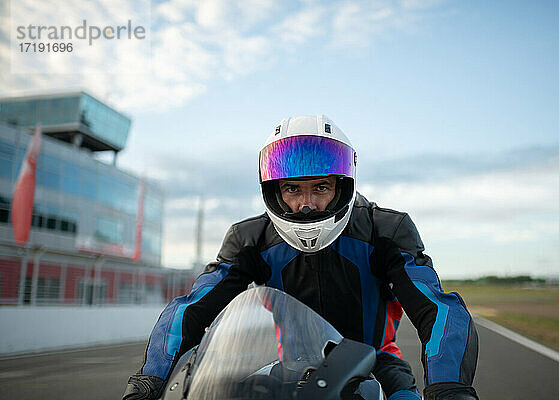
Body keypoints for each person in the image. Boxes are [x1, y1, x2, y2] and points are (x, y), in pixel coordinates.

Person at [122, 115, 479, 400]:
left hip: (378, 366)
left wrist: (449, 388)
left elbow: (438, 308)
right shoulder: (249, 238)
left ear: (342, 185)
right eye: (293, 189)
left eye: (320, 187)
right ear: (274, 191)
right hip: (289, 370)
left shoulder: (385, 229)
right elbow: (191, 307)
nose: (307, 204)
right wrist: (147, 382)